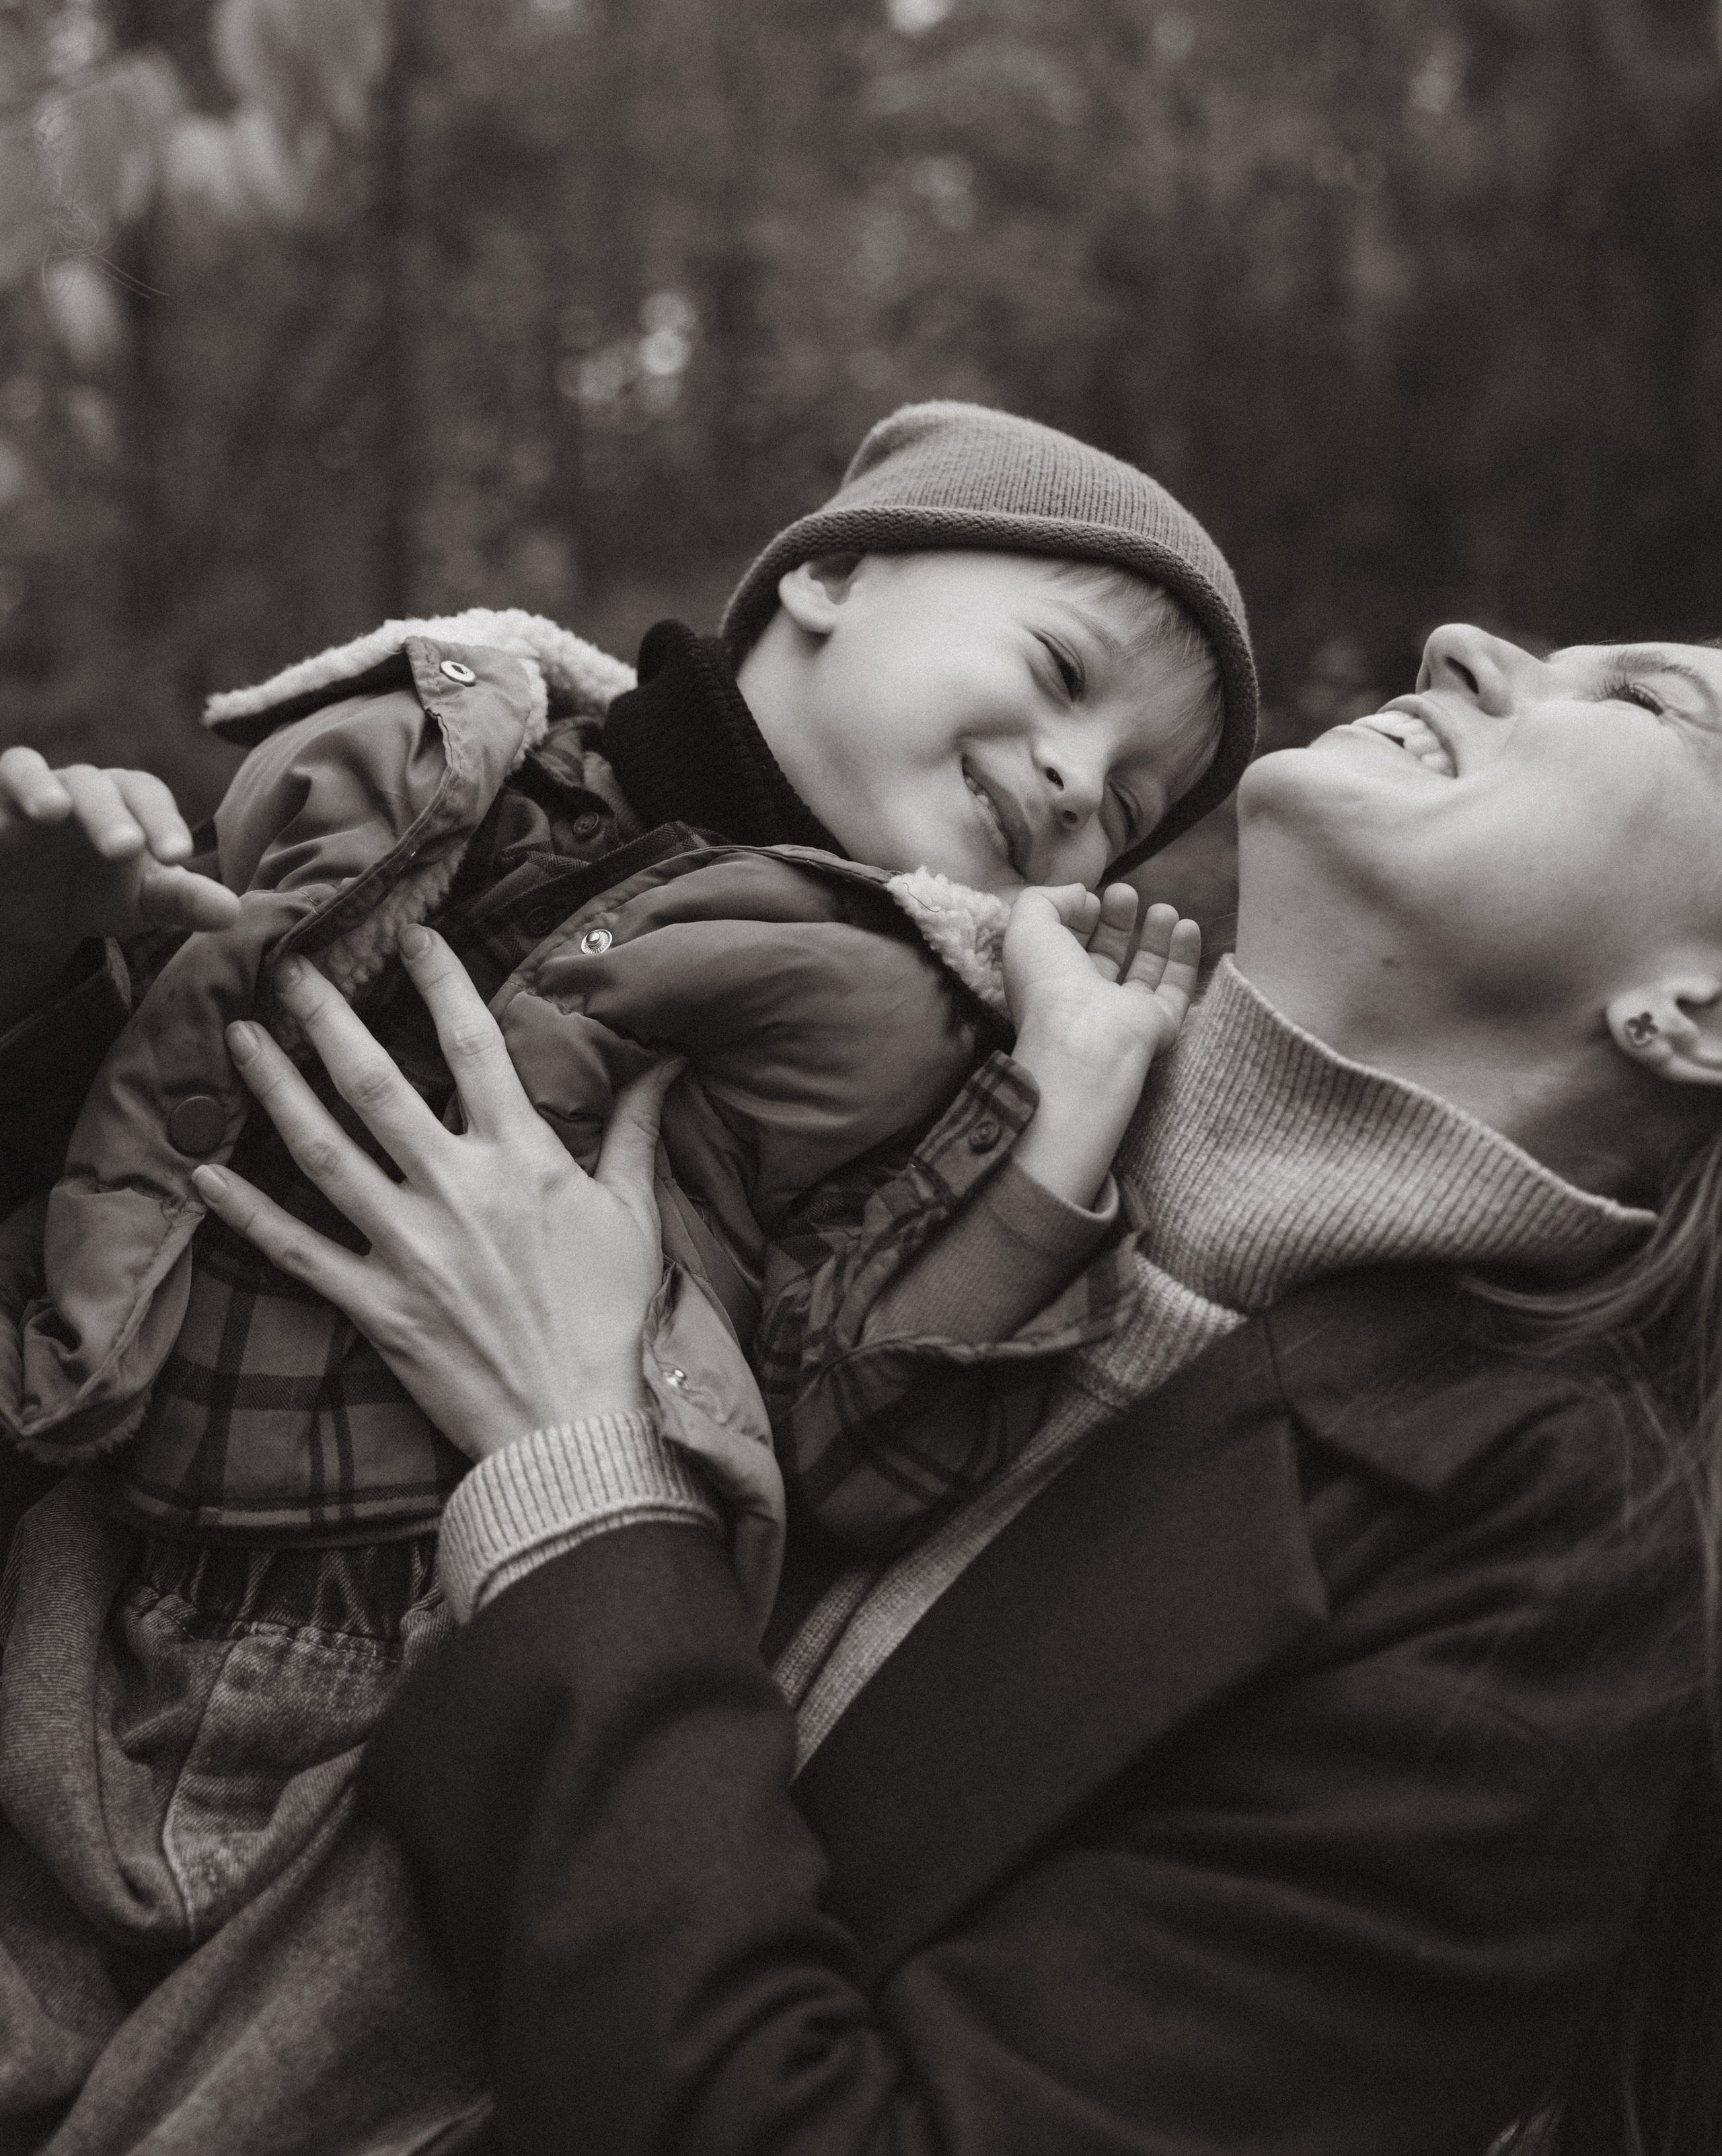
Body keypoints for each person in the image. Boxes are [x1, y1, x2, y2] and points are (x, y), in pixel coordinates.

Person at [182, 620, 1721, 2154]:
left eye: (1649, 700)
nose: (1460, 641)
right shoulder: (878, 1017)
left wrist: (575, 1479)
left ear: (1695, 1014)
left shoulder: (1548, 1588)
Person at [0, 401, 1257, 2149]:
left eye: (1127, 800)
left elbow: (867, 1435)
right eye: (1059, 673)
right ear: (835, 577)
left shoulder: (903, 1031)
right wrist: (70, 939)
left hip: (412, 1694)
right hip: (80, 1555)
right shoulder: (443, 756)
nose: (1073, 780)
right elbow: (157, 1087)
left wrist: (1062, 1129)